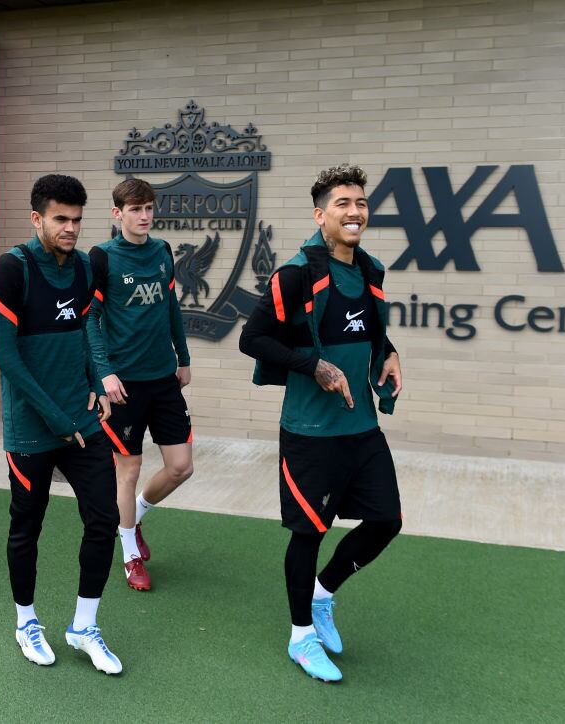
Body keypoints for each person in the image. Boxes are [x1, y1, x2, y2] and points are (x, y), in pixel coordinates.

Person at [239, 163, 404, 683]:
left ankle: (322, 594)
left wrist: (391, 353)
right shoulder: (297, 273)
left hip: (361, 426)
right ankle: (300, 637)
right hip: (311, 433)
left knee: (386, 520)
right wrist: (314, 366)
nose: (354, 212)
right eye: (342, 204)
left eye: (360, 203)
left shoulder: (371, 269)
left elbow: (365, 330)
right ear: (320, 214)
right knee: (308, 533)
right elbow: (254, 338)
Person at [0, 174, 121, 674]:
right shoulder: (11, 270)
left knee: (104, 519)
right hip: (31, 427)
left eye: (77, 220)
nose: (70, 228)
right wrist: (56, 417)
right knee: (28, 525)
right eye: (61, 219)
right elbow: (6, 355)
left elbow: (86, 327)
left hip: (81, 421)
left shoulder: (85, 267)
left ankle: (84, 625)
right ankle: (26, 622)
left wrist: (97, 380)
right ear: (36, 218)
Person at [86, 179, 193, 591]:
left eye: (149, 208)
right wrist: (104, 372)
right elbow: (88, 319)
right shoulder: (103, 258)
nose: (144, 216)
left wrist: (182, 358)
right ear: (117, 214)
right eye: (135, 209)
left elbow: (171, 308)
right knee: (127, 471)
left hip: (163, 378)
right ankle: (130, 553)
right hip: (123, 385)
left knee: (181, 466)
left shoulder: (163, 252)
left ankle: (135, 516)